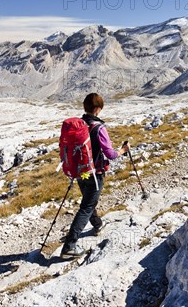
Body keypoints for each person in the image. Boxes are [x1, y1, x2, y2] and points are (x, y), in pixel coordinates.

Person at [61, 93, 130, 258]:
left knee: (88, 201)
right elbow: (111, 154)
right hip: (95, 172)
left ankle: (97, 225)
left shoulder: (80, 124)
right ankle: (69, 246)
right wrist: (123, 150)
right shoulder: (99, 128)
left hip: (81, 172)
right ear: (98, 109)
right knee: (86, 207)